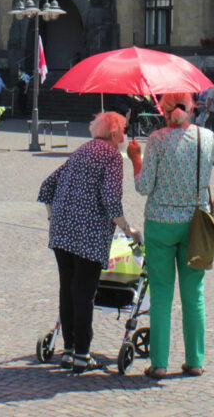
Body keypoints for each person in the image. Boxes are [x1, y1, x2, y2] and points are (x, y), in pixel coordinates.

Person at [129, 93, 214, 379]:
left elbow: (143, 188)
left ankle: (159, 364)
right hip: (196, 224)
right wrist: (212, 205)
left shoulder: (156, 139)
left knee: (162, 296)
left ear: (164, 111)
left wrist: (135, 159)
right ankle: (195, 361)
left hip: (160, 223)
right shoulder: (207, 138)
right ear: (192, 109)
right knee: (194, 295)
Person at [37, 112, 141, 373]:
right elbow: (110, 200)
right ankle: (82, 354)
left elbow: (47, 185)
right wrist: (128, 229)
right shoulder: (112, 157)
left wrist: (53, 215)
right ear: (116, 134)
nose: (126, 136)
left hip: (61, 231)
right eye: (124, 131)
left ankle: (70, 349)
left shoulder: (82, 150)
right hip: (88, 234)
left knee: (68, 289)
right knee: (84, 293)